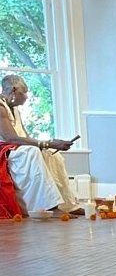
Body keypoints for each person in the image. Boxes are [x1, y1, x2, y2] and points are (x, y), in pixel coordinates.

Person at [0, 74, 84, 216]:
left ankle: (68, 205)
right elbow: (11, 137)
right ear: (14, 90)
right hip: (6, 150)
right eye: (24, 92)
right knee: (32, 152)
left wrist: (50, 144)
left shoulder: (15, 109)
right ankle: (47, 208)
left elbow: (24, 137)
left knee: (52, 155)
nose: (26, 97)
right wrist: (47, 143)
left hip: (17, 147)